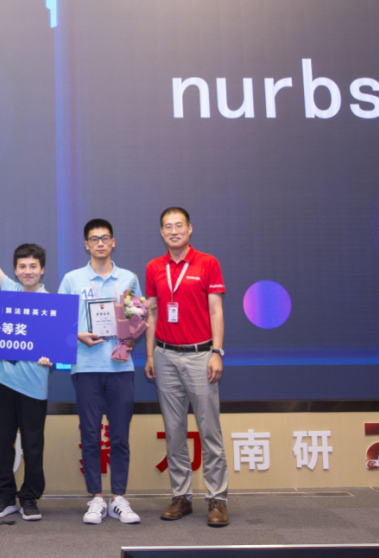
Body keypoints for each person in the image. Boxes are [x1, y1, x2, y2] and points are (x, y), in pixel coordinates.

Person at [144, 207, 229, 527]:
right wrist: (150, 355)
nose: (174, 231)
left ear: (190, 229)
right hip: (165, 356)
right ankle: (181, 496)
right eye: (168, 226)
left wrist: (217, 352)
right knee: (174, 431)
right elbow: (151, 313)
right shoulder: (154, 267)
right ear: (161, 232)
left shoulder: (208, 263)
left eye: (179, 225)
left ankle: (217, 498)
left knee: (209, 431)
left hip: (200, 356)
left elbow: (216, 311)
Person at [58, 219, 143, 525]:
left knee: (119, 436)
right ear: (86, 244)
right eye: (94, 239)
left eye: (105, 238)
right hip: (86, 368)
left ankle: (118, 498)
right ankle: (95, 498)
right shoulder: (72, 279)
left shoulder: (129, 279)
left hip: (120, 366)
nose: (100, 243)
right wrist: (78, 334)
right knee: (90, 435)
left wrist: (130, 337)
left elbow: (137, 319)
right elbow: (60, 323)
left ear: (113, 242)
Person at [0, 206, 53, 521]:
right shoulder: (8, 290)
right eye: (22, 266)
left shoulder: (52, 303)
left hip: (34, 386)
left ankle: (30, 497)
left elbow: (59, 346)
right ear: (16, 270)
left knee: (33, 445)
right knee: (1, 442)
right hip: (3, 383)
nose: (27, 271)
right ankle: (5, 496)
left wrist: (52, 357)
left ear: (42, 270)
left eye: (33, 266)